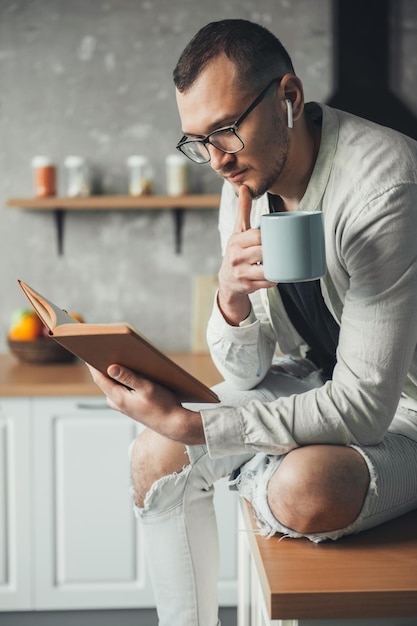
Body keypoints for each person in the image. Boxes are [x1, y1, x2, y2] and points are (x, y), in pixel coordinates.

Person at [88, 19, 417, 626]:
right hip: (313, 381)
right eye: (196, 141)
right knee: (150, 455)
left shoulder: (384, 186)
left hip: (405, 412)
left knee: (304, 489)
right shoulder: (243, 175)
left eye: (225, 130)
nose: (215, 159)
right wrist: (230, 295)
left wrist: (204, 431)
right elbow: (244, 367)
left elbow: (368, 407)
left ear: (288, 98)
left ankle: (252, 468)